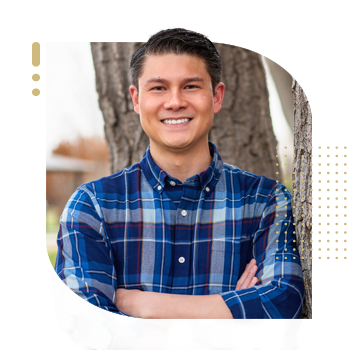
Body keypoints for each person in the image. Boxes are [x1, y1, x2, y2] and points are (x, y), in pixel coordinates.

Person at [52, 27, 304, 349]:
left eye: (191, 86)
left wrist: (136, 305)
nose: (174, 102)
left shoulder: (265, 201)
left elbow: (277, 315)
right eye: (158, 87)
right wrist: (223, 335)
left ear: (216, 96)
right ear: (136, 99)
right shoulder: (93, 205)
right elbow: (82, 324)